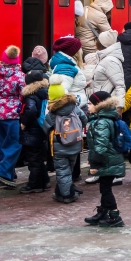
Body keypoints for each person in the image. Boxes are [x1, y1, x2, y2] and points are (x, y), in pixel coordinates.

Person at [43, 76, 88, 204]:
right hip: (75, 143)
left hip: (60, 146)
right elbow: (84, 120)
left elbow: (45, 129)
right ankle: (60, 192)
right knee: (69, 169)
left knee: (62, 171)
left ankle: (67, 195)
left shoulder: (52, 113)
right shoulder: (74, 107)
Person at [84, 91, 125, 228]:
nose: (88, 106)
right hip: (108, 159)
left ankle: (114, 215)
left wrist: (95, 162)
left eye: (90, 104)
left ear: (98, 104)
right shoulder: (104, 118)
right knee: (104, 187)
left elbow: (101, 144)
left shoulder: (102, 122)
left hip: (107, 160)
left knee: (106, 189)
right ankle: (103, 211)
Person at [0, 46, 25, 187]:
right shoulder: (20, 76)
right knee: (15, 144)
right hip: (12, 114)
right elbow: (23, 95)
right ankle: (2, 173)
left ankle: (7, 175)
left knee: (2, 144)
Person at [19, 69, 50, 194]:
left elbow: (31, 110)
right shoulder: (43, 92)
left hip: (33, 129)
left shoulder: (31, 94)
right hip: (41, 128)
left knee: (34, 159)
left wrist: (24, 123)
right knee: (39, 157)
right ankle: (44, 181)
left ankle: (34, 185)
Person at [90, 30, 127, 109]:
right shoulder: (105, 58)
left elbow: (120, 86)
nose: (96, 42)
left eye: (98, 40)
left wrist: (119, 107)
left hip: (105, 105)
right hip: (100, 103)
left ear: (103, 43)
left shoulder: (109, 60)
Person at [48, 36, 88, 110]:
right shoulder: (66, 68)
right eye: (80, 49)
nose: (81, 51)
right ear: (75, 52)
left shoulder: (68, 66)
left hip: (75, 109)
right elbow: (61, 95)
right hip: (73, 112)